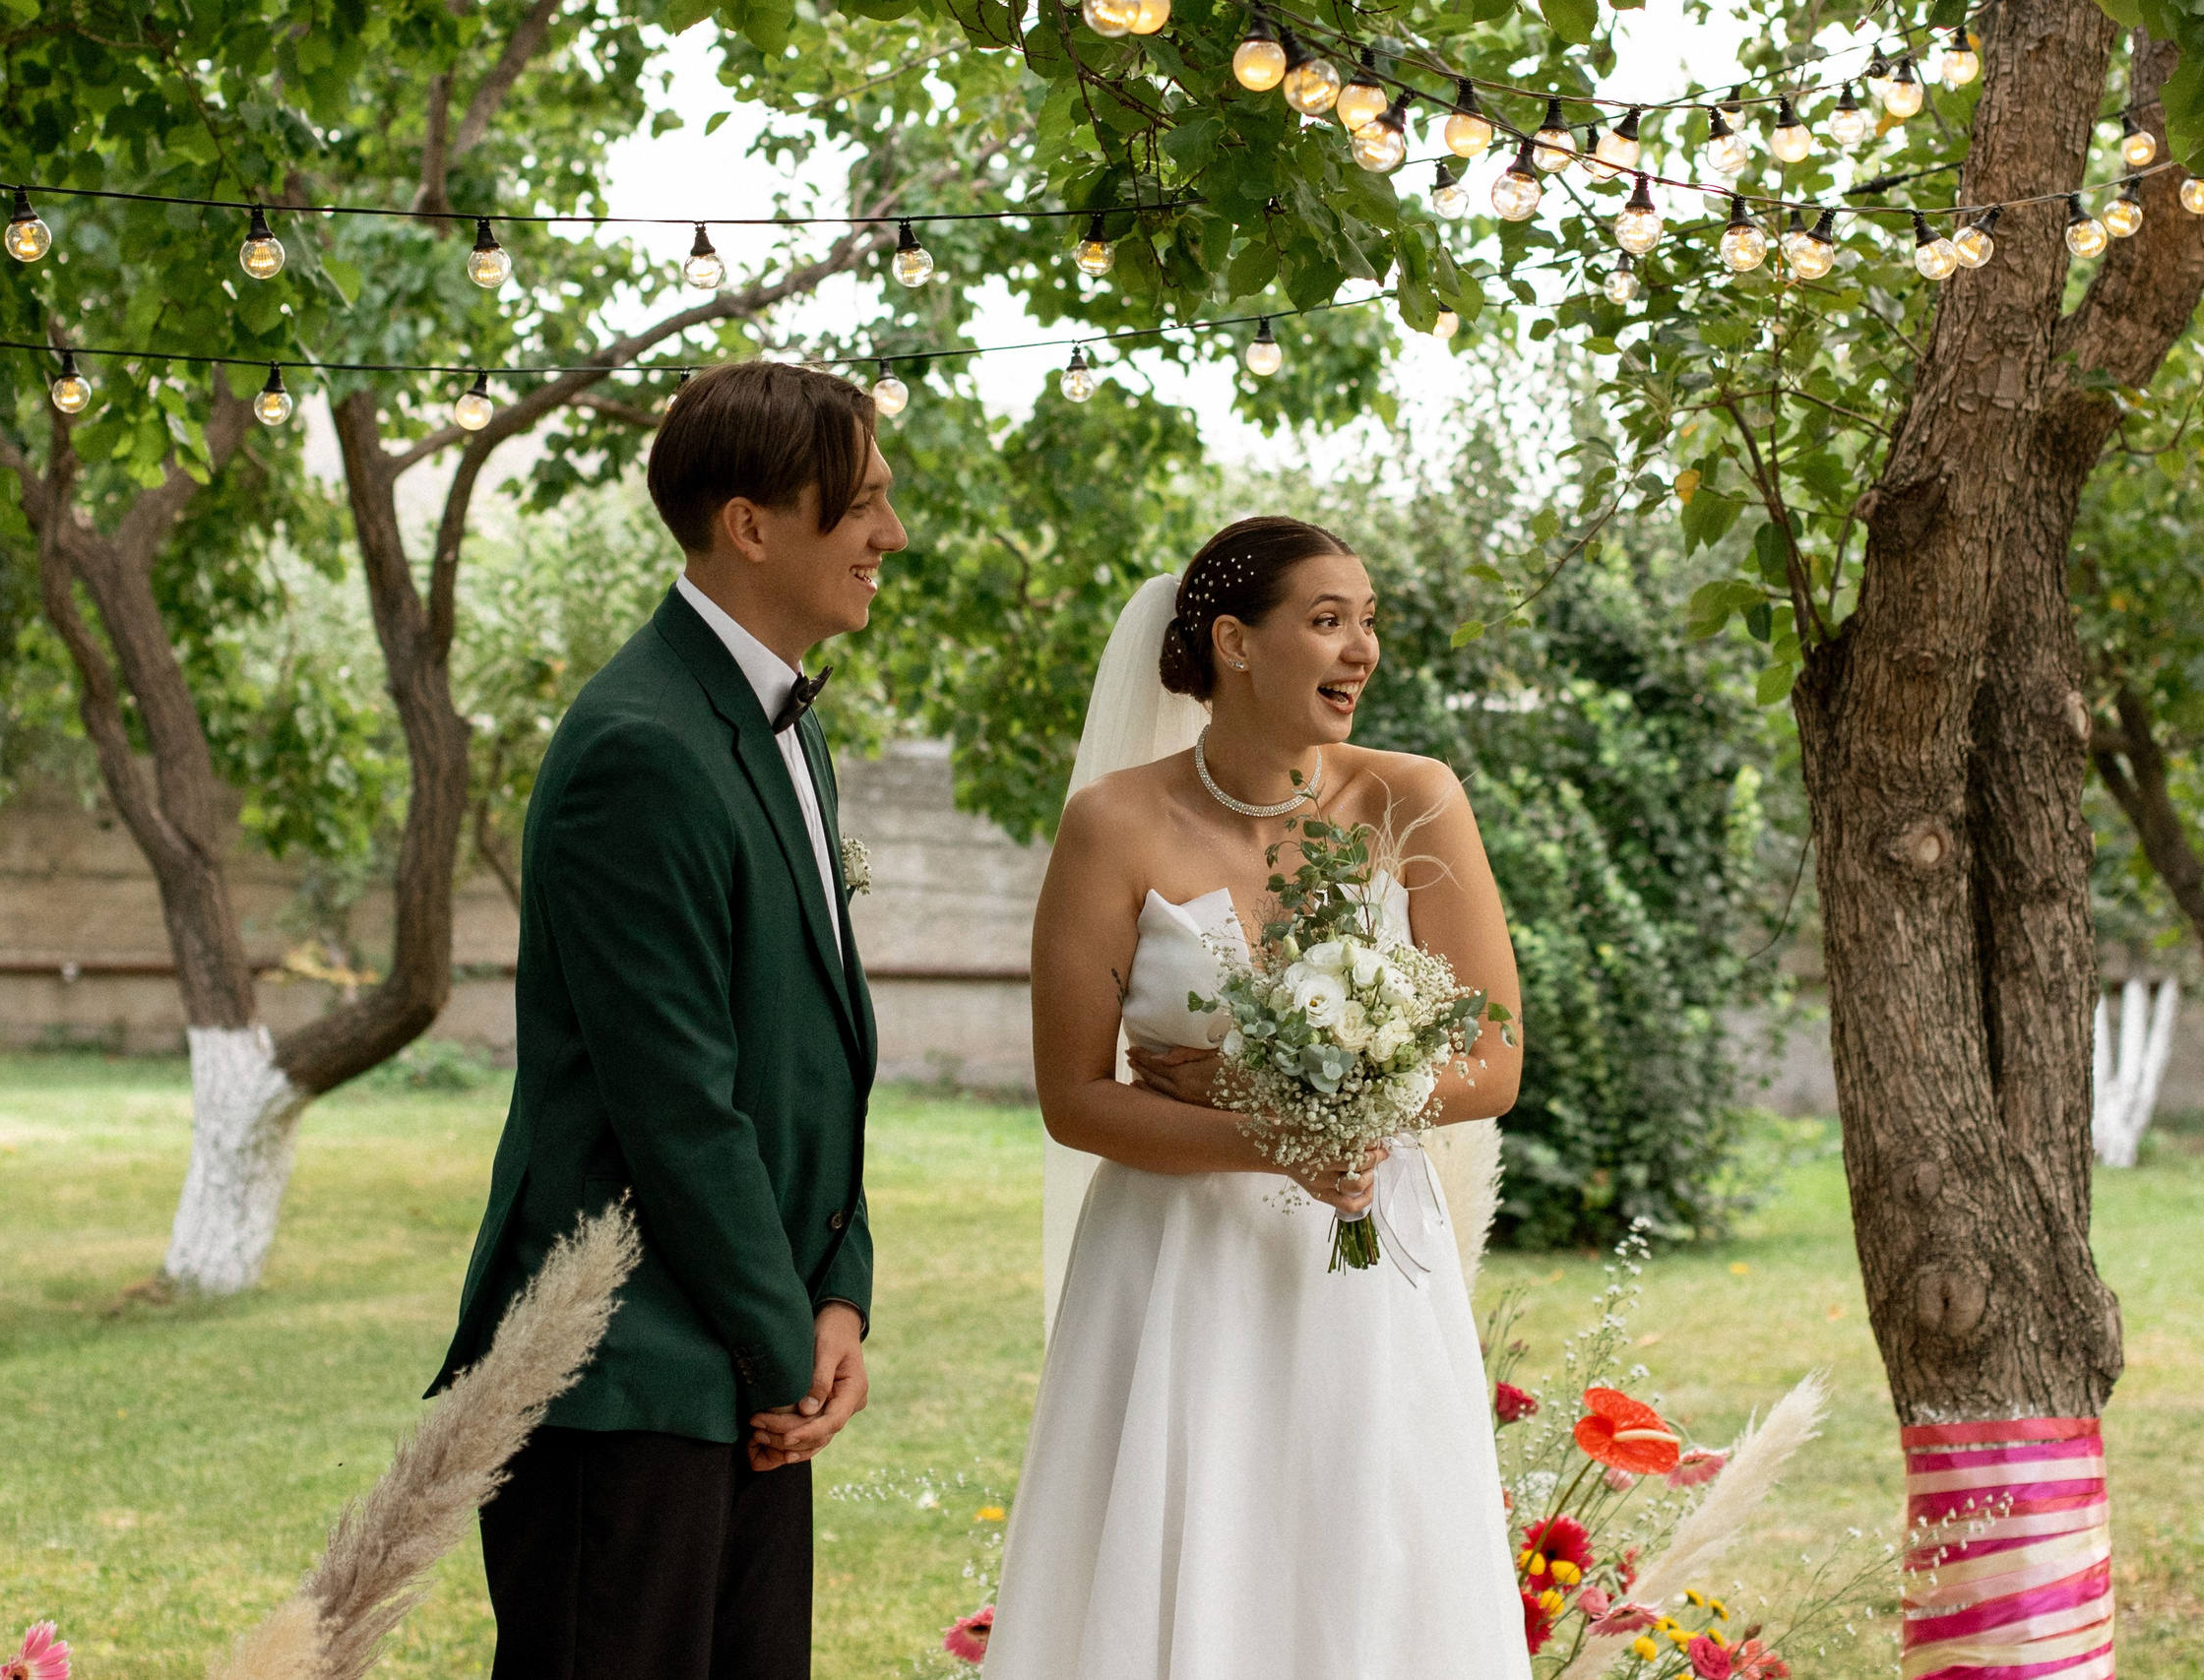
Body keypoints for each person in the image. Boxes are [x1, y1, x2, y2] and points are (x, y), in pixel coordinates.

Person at [983, 516, 1533, 1680]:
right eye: (1327, 621)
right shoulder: (1113, 824)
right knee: (1181, 1558)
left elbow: (1492, 1062)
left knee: (1365, 1557)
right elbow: (1074, 1099)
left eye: (1368, 621)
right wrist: (1275, 1143)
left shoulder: (1413, 800)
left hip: (1367, 1260)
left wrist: (1272, 1090)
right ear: (1234, 642)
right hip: (1175, 1261)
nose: (1361, 650)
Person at [427, 359, 905, 1680]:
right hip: (626, 1372)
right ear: (752, 524)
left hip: (747, 1358)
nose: (890, 533)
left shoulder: (783, 725)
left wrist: (840, 1297)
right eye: (861, 502)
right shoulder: (640, 742)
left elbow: (816, 1052)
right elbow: (676, 1101)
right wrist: (783, 1352)